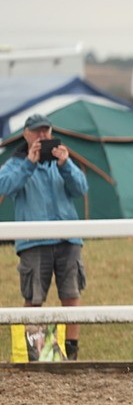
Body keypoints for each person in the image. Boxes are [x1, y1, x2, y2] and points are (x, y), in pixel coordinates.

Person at [0, 114, 89, 360]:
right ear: (26, 135)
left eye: (45, 131)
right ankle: (34, 353)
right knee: (33, 299)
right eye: (37, 132)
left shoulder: (62, 162)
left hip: (68, 239)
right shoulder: (16, 163)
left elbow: (81, 188)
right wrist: (29, 163)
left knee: (71, 296)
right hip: (33, 241)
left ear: (51, 132)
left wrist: (66, 165)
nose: (42, 136)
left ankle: (71, 352)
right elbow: (3, 186)